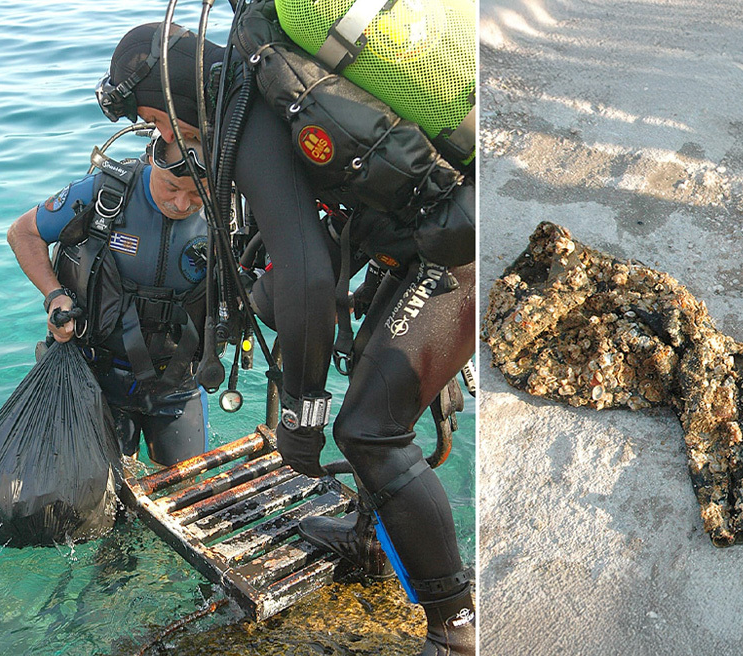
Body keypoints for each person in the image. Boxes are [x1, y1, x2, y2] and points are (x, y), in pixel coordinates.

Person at [98, 22, 476, 654]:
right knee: (367, 379)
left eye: (157, 121)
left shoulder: (242, 113)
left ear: (174, 91)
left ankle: (455, 624)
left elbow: (306, 278)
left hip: (459, 253)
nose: (163, 138)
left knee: (370, 428)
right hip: (427, 241)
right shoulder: (257, 87)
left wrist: (303, 412)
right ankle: (365, 533)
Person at [7, 134, 213, 467]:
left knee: (186, 484)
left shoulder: (229, 209)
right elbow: (22, 232)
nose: (181, 204)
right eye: (172, 188)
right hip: (97, 375)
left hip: (178, 376)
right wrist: (55, 296)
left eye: (196, 194)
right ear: (151, 162)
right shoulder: (107, 192)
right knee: (104, 495)